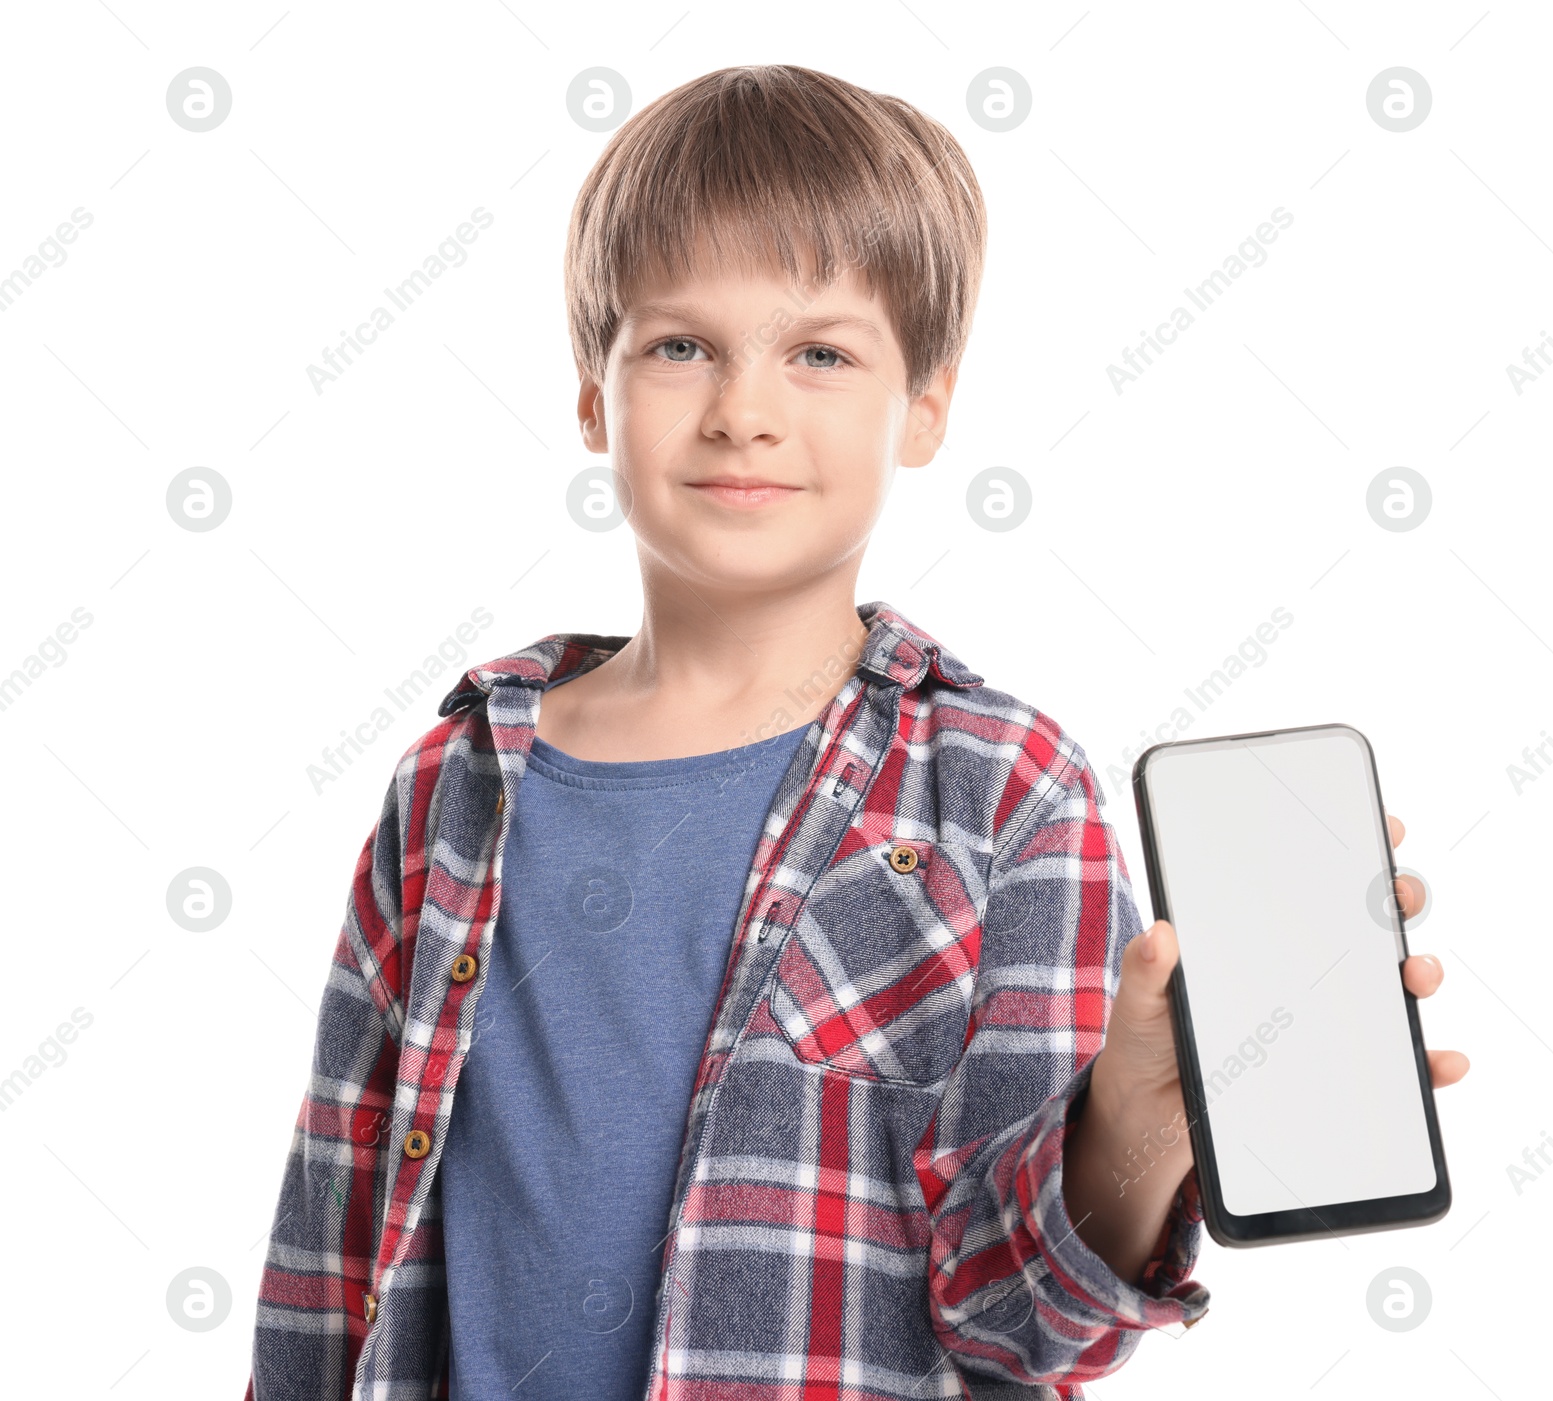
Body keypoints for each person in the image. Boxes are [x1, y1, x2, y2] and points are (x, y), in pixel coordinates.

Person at [243, 63, 1468, 1400]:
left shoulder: (1008, 796)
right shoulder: (456, 785)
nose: (743, 409)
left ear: (926, 406)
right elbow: (330, 1234)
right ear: (593, 392)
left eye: (820, 352)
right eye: (678, 345)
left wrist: (1132, 1119)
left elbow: (1022, 1325)